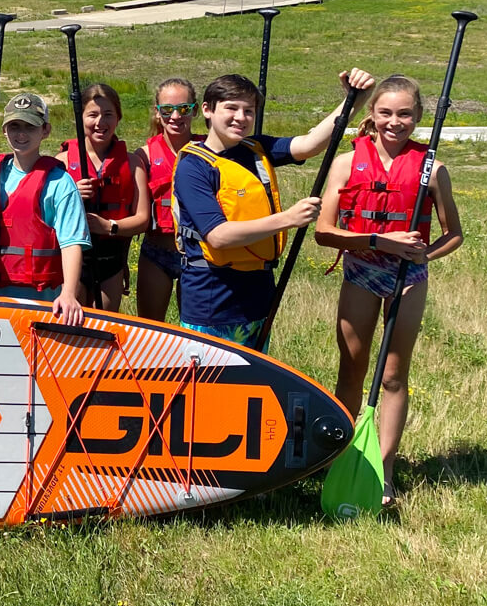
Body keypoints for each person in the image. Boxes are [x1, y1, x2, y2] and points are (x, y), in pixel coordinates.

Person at [315, 74, 462, 505]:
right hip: (361, 269)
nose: (394, 122)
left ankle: (385, 469)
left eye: (404, 114)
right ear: (372, 114)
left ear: (418, 117)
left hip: (408, 278)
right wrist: (380, 242)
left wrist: (422, 257)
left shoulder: (432, 169)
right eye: (385, 113)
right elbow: (325, 232)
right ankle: (341, 456)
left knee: (395, 374)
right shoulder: (346, 163)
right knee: (353, 367)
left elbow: (454, 234)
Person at [172, 70, 375, 348]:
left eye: (248, 111)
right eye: (231, 108)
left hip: (258, 298)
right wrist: (288, 219)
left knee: (251, 387)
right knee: (211, 389)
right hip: (211, 303)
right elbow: (218, 236)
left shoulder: (258, 148)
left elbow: (310, 144)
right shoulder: (193, 167)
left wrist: (355, 99)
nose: (240, 118)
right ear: (207, 110)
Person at [0, 93, 87, 325]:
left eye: (30, 127)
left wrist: (69, 293)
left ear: (45, 131)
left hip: (41, 299)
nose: (21, 134)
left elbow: (71, 243)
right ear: (4, 130)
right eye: (14, 126)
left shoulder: (60, 183)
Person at [61, 84, 150, 311]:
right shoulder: (61, 162)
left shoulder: (132, 164)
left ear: (118, 118)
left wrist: (109, 226)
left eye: (108, 115)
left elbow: (142, 219)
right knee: (73, 327)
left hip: (111, 262)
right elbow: (47, 217)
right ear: (80, 119)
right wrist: (71, 195)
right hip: (72, 262)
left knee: (105, 328)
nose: (101, 122)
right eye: (92, 115)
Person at [133, 78, 205, 321]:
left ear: (195, 110)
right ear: (157, 112)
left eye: (184, 109)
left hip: (198, 254)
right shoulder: (144, 155)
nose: (175, 116)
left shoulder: (209, 150)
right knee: (151, 330)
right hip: (157, 252)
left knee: (195, 334)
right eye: (167, 110)